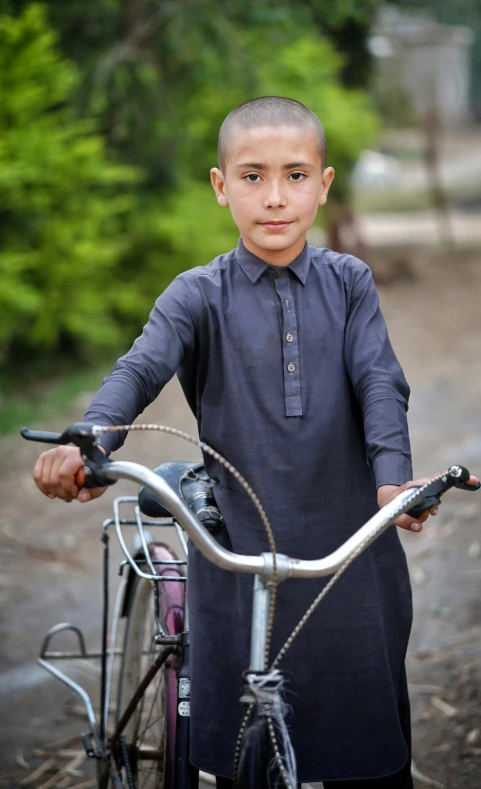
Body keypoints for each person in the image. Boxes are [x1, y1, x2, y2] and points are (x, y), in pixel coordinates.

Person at [33, 96, 441, 788]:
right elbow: (140, 367)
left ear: (323, 184)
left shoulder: (348, 283)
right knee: (238, 740)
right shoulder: (197, 295)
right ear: (221, 188)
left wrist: (392, 482)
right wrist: (87, 443)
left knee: (363, 741)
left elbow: (379, 383)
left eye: (294, 175)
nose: (274, 197)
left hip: (349, 550)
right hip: (238, 548)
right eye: (251, 176)